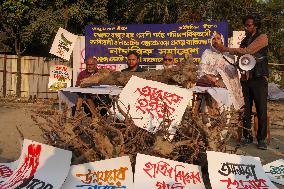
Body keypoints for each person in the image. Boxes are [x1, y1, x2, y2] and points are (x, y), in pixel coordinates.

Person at [214, 13, 269, 150]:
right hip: (246, 78)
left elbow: (247, 51)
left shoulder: (262, 37)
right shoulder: (245, 39)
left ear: (256, 25)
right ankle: (247, 136)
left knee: (261, 110)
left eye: (249, 25)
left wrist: (225, 48)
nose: (246, 27)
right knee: (246, 110)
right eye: (245, 25)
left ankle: (261, 139)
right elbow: (240, 55)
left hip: (259, 78)